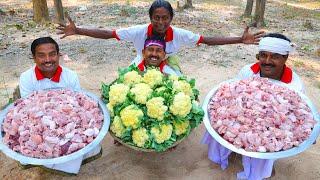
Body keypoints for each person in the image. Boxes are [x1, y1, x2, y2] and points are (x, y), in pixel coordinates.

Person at [202, 33, 305, 180]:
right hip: (240, 116)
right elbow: (233, 95)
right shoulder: (248, 71)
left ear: (285, 58)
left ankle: (262, 168)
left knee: (265, 147)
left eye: (275, 56)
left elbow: (294, 116)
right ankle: (227, 153)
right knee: (219, 123)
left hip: (272, 127)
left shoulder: (294, 84)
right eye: (263, 55)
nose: (267, 61)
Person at [57, 0, 264, 66]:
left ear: (171, 19)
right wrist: (78, 30)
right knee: (120, 92)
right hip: (141, 63)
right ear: (151, 18)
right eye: (156, 17)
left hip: (167, 66)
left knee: (180, 96)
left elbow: (207, 40)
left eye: (165, 18)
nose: (161, 22)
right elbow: (109, 33)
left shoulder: (180, 34)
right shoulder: (138, 31)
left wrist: (239, 39)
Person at [19, 37, 101, 175]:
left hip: (68, 122)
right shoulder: (26, 78)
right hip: (40, 122)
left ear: (58, 55)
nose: (48, 59)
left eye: (52, 54)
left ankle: (65, 161)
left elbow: (77, 103)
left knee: (83, 141)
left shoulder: (70, 76)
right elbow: (28, 107)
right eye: (41, 55)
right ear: (33, 58)